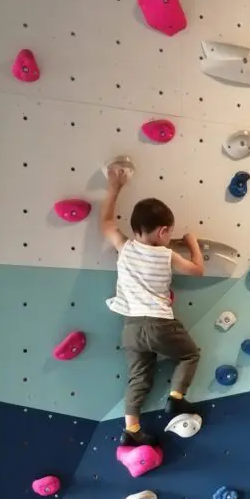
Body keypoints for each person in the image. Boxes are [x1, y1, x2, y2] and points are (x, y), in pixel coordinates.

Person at [100, 157, 205, 447]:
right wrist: (192, 242)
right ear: (163, 232)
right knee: (189, 355)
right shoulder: (167, 254)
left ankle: (132, 429)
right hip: (159, 323)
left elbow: (106, 222)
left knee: (139, 377)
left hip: (131, 328)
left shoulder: (124, 247)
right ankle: (176, 398)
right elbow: (197, 270)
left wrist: (114, 186)